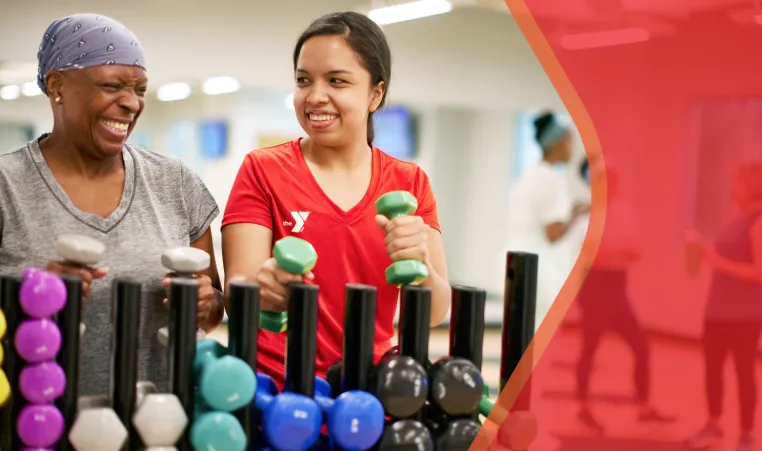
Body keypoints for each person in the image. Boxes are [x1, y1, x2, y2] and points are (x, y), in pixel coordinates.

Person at [221, 11, 451, 389]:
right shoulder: (263, 169)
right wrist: (266, 287)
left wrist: (421, 262)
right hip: (276, 390)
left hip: (369, 391)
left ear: (375, 93)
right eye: (303, 80)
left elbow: (435, 311)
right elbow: (237, 294)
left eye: (337, 81)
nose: (315, 97)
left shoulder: (410, 182)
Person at [0, 13, 225, 396]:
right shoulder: (7, 187)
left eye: (139, 88)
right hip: (38, 422)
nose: (131, 103)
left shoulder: (174, 181)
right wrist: (30, 299)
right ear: (57, 86)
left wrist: (208, 303)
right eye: (112, 86)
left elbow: (215, 302)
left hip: (160, 424)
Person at [572, 156, 674, 435]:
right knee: (589, 349)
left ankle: (643, 407)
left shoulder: (624, 211)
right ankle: (583, 408)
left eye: (615, 179)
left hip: (617, 288)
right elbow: (591, 256)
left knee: (641, 346)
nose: (613, 184)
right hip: (595, 288)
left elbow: (635, 249)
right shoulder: (588, 215)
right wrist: (616, 252)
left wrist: (611, 252)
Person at [685, 162, 762, 451]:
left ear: (751, 187)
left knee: (743, 372)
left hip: (744, 316)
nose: (733, 188)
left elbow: (758, 273)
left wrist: (718, 263)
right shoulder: (737, 219)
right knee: (713, 370)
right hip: (717, 311)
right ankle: (713, 426)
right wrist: (706, 254)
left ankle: (746, 434)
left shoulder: (758, 222)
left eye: (738, 182)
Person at [505, 111, 589, 329]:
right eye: (570, 141)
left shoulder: (529, 174)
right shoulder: (552, 179)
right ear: (558, 143)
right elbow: (553, 233)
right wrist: (576, 214)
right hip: (539, 269)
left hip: (516, 261)